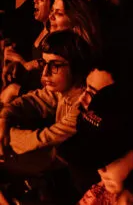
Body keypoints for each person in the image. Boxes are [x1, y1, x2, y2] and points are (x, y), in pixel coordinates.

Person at [0, 30, 91, 175]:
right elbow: (26, 102)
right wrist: (3, 120)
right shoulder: (61, 91)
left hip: (68, 171)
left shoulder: (83, 104)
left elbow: (43, 140)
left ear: (76, 66)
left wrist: (5, 137)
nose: (45, 73)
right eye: (44, 63)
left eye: (55, 65)